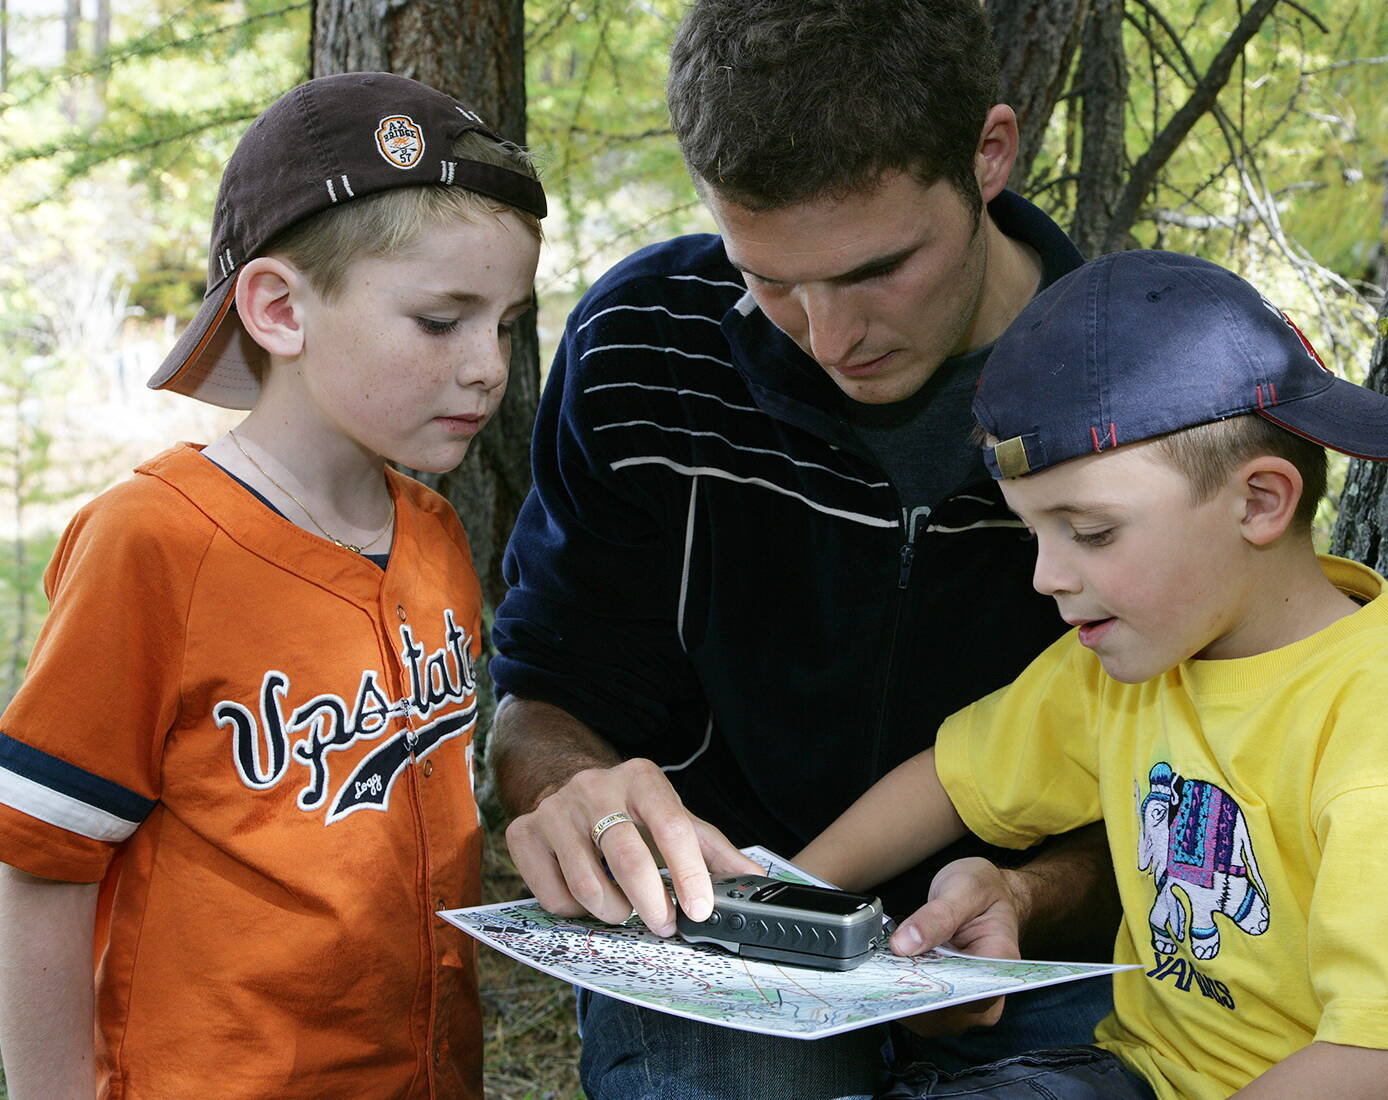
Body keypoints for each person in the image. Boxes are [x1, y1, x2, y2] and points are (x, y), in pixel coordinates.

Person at [489, 1, 1115, 1096]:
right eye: (769, 279)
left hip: (1037, 943)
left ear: (989, 155)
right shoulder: (645, 346)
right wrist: (575, 787)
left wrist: (1030, 891)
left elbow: (1207, 751)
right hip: (716, 936)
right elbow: (548, 688)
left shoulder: (1138, 379)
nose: (832, 340)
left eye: (877, 270)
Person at [798, 249, 1388, 1099]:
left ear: (1259, 502)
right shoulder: (1128, 663)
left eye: (1089, 532)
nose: (1047, 576)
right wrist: (780, 896)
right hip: (1142, 1075)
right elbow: (951, 779)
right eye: (1033, 534)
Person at [0, 73, 545, 1098]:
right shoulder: (152, 544)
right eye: (441, 320)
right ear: (279, 307)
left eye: (507, 323)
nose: (490, 368)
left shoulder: (431, 533)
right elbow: (41, 864)